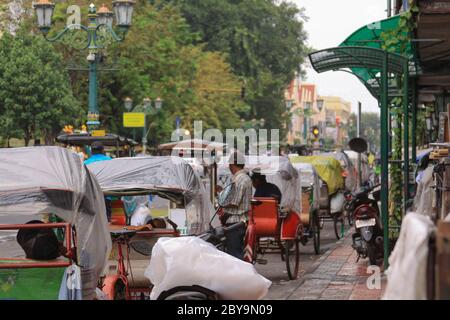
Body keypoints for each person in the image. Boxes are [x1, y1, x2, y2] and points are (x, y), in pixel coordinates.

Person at [220, 151, 252, 260]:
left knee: (234, 254)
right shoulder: (243, 178)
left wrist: (221, 203)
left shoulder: (240, 179)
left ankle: (240, 275)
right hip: (240, 221)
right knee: (235, 250)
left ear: (232, 164)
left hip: (236, 222)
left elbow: (234, 202)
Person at [84, 141, 113, 221]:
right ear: (103, 150)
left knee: (92, 221)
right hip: (106, 196)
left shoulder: (85, 163)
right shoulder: (110, 161)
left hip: (90, 197)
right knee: (106, 221)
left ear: (91, 151)